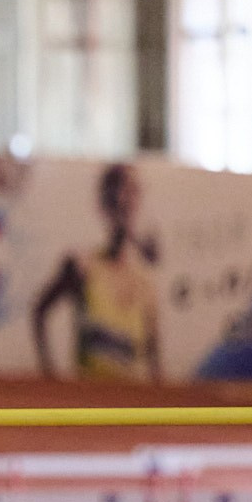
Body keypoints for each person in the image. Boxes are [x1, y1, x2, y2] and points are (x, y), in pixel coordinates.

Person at [30, 162, 162, 384]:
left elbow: (154, 354)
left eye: (132, 191)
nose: (124, 200)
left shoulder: (145, 281)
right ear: (105, 203)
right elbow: (40, 311)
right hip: (89, 395)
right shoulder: (82, 266)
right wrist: (49, 376)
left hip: (132, 398)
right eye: (118, 191)